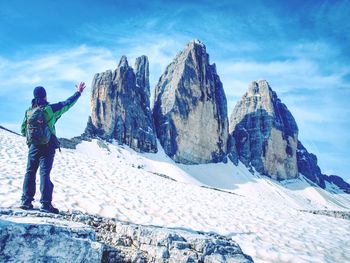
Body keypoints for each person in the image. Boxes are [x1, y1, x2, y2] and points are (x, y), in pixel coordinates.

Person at [20, 82, 86, 213]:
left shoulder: (29, 111)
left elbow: (23, 129)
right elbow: (67, 104)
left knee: (30, 172)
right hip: (48, 145)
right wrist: (78, 93)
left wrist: (33, 139)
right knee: (44, 173)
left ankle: (26, 201)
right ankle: (45, 204)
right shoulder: (49, 109)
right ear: (45, 96)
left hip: (34, 146)